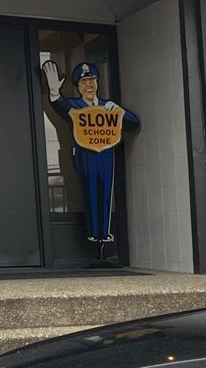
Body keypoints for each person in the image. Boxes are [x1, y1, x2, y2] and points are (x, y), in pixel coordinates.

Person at [42, 60, 140, 244]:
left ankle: (104, 234)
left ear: (97, 83)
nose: (88, 85)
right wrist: (54, 92)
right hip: (85, 156)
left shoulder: (107, 106)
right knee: (91, 193)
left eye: (91, 80)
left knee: (105, 194)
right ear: (78, 86)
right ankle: (95, 234)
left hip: (105, 154)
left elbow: (133, 123)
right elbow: (60, 106)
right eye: (83, 82)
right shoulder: (75, 105)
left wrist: (120, 110)